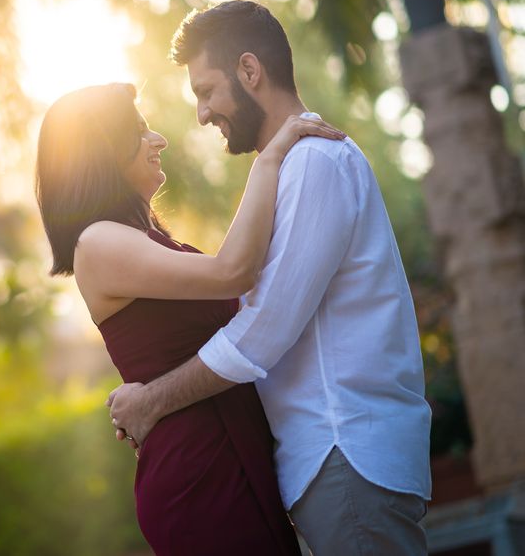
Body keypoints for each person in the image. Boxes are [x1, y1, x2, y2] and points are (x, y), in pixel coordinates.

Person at [106, 0, 432, 555]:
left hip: (344, 451)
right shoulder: (292, 167)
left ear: (250, 71)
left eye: (207, 91)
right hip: (335, 462)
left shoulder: (313, 165)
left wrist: (152, 402)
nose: (203, 114)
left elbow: (264, 332)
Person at [35, 81, 345, 554]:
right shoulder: (98, 242)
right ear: (101, 152)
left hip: (229, 453)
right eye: (139, 132)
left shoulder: (141, 237)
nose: (158, 139)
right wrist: (269, 159)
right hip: (198, 476)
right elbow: (234, 272)